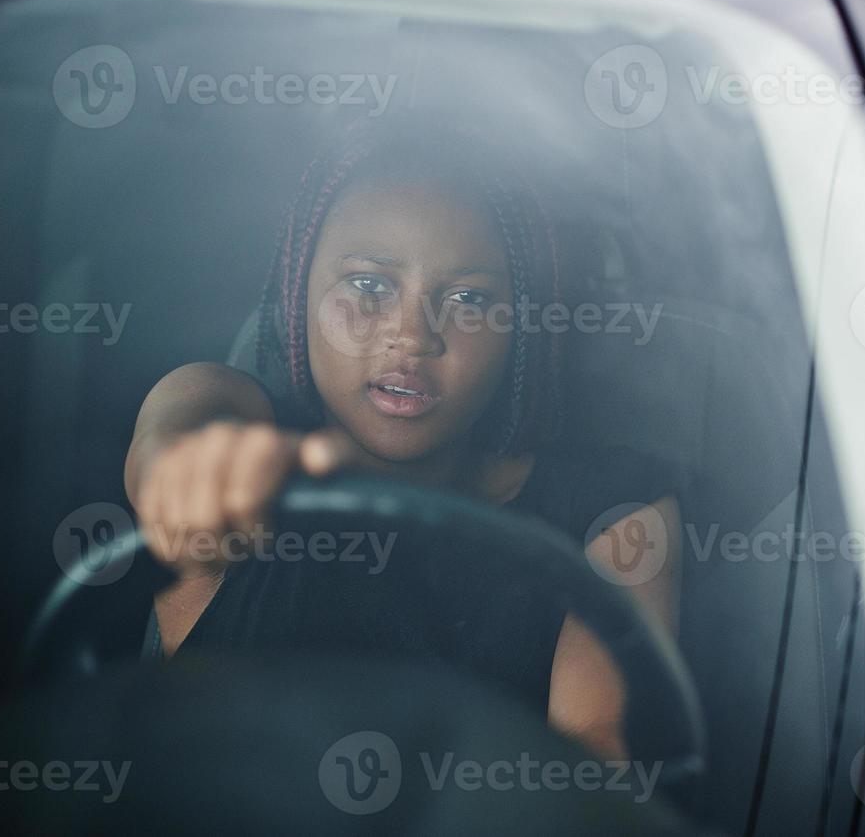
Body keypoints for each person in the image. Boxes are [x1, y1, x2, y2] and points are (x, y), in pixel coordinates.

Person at [122, 121, 680, 759]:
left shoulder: (610, 514)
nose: (413, 336)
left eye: (467, 298)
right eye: (368, 285)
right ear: (297, 297)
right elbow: (176, 441)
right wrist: (174, 464)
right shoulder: (240, 434)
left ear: (519, 332)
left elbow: (599, 769)